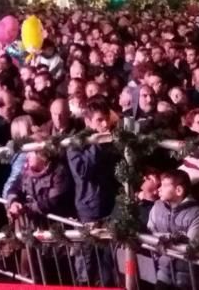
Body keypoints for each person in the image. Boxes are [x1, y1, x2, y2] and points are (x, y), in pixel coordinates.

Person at [67, 102, 119, 286]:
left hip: (111, 205)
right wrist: (96, 145)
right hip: (89, 207)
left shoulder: (111, 141)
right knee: (86, 259)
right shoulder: (76, 144)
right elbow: (82, 172)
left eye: (106, 120)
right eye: (99, 120)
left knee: (108, 261)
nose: (104, 124)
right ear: (88, 122)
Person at [147, 170, 199, 289]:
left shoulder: (197, 213)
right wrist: (171, 240)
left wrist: (166, 240)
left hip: (188, 278)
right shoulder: (157, 207)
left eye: (165, 185)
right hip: (163, 273)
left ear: (179, 190)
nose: (159, 189)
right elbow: (151, 233)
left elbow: (192, 244)